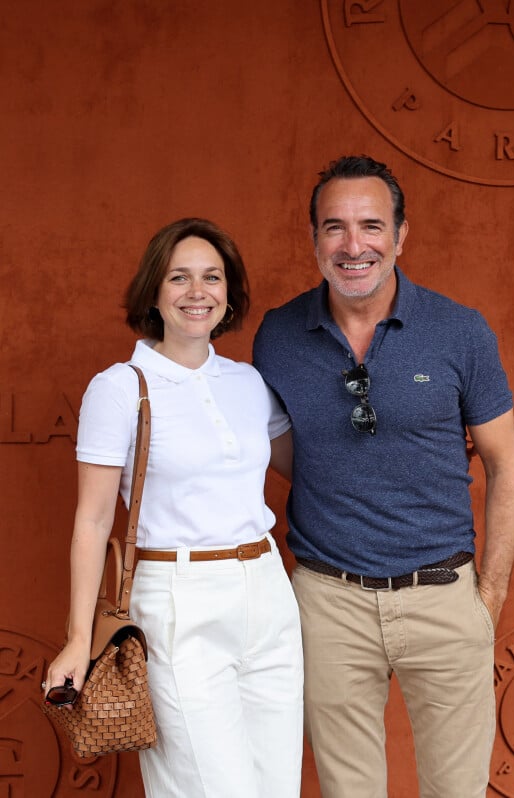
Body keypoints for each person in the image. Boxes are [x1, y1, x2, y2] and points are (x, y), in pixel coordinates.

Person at [253, 155, 514, 798]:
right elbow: (285, 452)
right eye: (335, 227)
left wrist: (487, 599)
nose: (354, 246)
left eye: (372, 226)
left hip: (444, 594)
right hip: (329, 603)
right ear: (314, 238)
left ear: (401, 236)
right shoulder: (278, 335)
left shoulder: (459, 331)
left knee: (457, 791)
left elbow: (507, 466)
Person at [45, 218, 304, 798]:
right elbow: (91, 520)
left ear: (229, 294)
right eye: (179, 277)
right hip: (178, 599)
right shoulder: (120, 387)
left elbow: (306, 467)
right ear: (154, 293)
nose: (197, 292)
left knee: (277, 787)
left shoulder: (249, 383)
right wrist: (78, 638)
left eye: (212, 278)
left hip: (266, 593)